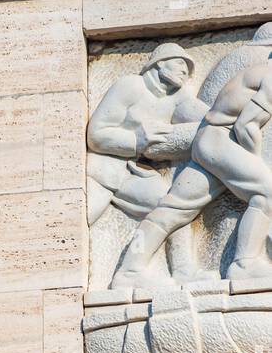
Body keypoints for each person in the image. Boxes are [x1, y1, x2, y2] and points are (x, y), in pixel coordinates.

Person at [115, 44, 272, 284]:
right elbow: (246, 126)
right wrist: (255, 167)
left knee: (174, 208)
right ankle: (245, 264)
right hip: (222, 140)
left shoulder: (259, 72)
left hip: (209, 140)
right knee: (267, 191)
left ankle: (129, 271)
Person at [87, 43, 207, 280]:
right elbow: (95, 135)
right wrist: (135, 140)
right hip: (107, 169)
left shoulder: (176, 97)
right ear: (160, 62)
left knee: (175, 206)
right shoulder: (130, 86)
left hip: (137, 170)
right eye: (180, 63)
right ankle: (131, 272)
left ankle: (182, 271)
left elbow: (210, 118)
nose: (186, 71)